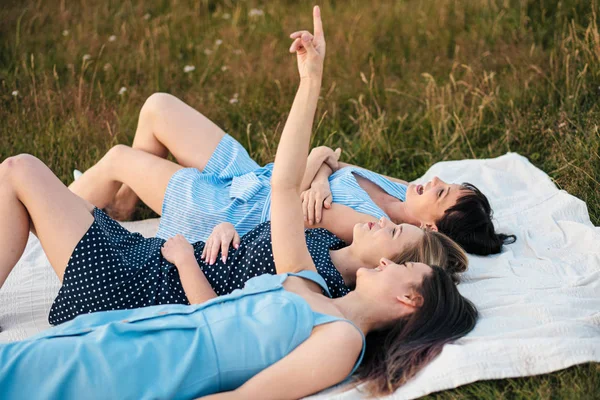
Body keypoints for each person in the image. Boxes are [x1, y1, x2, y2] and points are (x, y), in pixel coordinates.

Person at [0, 8, 478, 398]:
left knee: (22, 173)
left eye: (396, 247)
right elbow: (284, 188)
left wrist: (190, 259)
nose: (379, 223)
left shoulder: (338, 329)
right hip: (147, 302)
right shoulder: (307, 279)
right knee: (26, 172)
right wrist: (311, 79)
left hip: (140, 320)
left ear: (407, 297)